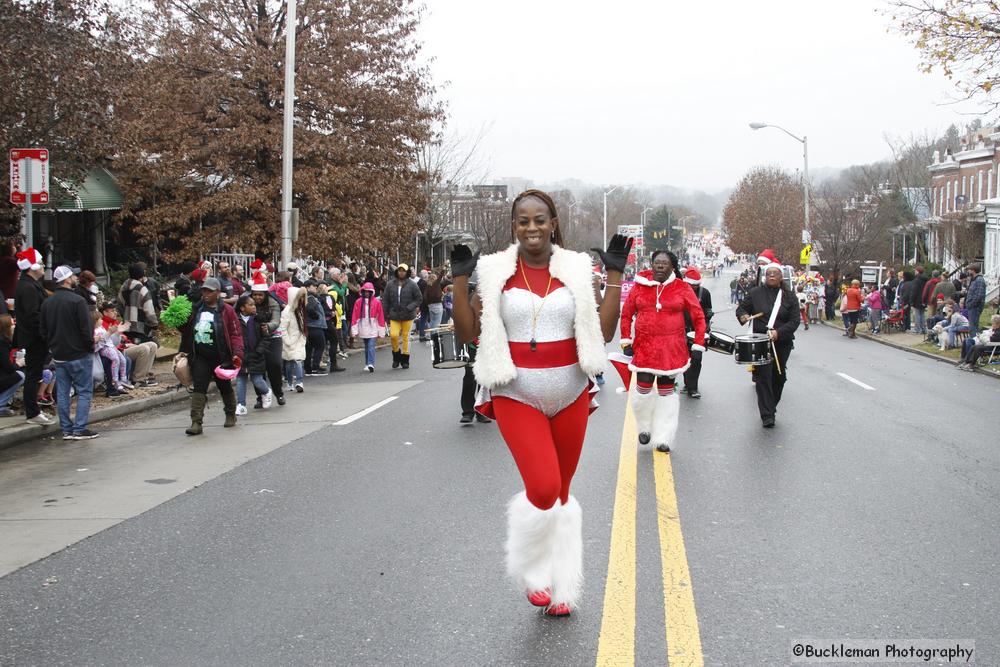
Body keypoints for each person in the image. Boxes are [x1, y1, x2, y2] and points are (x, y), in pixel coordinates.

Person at [450, 188, 629, 617]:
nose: (532, 228)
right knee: (544, 489)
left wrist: (617, 277)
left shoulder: (575, 269)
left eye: (540, 220)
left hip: (570, 393)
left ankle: (561, 585)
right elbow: (465, 333)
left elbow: (602, 333)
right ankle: (532, 570)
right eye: (523, 221)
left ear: (553, 224)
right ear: (514, 226)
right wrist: (459, 280)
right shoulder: (495, 272)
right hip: (517, 393)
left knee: (562, 495)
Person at [621, 252, 706, 451]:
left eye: (664, 263)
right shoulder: (640, 286)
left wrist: (698, 345)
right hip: (645, 348)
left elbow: (699, 317)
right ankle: (644, 428)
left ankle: (663, 437)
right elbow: (626, 314)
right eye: (657, 262)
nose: (660, 266)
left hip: (671, 349)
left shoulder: (682, 288)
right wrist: (626, 340)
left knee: (666, 392)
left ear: (672, 266)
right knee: (643, 389)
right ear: (651, 265)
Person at [736, 263, 800, 428]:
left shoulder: (790, 296)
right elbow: (742, 308)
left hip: (782, 342)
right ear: (765, 276)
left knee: (779, 376)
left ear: (781, 277)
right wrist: (743, 315)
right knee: (764, 377)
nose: (771, 276)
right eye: (769, 273)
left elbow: (794, 321)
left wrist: (779, 332)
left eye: (775, 274)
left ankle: (770, 405)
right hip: (760, 342)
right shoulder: (755, 293)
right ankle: (767, 414)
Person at [40, 266, 99, 440]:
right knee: (84, 391)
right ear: (67, 280)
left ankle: (66, 428)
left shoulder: (47, 302)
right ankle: (79, 428)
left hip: (59, 354)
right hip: (79, 353)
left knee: (63, 392)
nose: (75, 277)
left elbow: (43, 330)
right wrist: (89, 347)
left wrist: (52, 346)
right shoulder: (77, 301)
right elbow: (85, 329)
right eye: (72, 275)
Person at [178, 277, 244, 435]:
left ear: (218, 293)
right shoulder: (196, 308)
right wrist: (178, 319)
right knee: (199, 387)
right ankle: (196, 422)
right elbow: (185, 330)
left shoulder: (226, 310)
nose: (205, 294)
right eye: (204, 291)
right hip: (200, 355)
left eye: (209, 291)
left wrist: (237, 353)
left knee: (224, 386)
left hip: (221, 356)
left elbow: (235, 334)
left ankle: (230, 414)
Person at [13, 247, 52, 425]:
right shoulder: (28, 287)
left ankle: (33, 410)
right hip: (34, 338)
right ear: (32, 266)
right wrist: (44, 333)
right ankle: (32, 412)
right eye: (41, 263)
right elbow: (32, 316)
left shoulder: (29, 284)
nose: (44, 266)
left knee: (34, 374)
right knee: (33, 374)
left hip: (35, 337)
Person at [249, 271, 286, 405]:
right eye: (255, 295)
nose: (257, 297)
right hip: (255, 338)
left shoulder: (273, 303)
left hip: (273, 337)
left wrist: (268, 326)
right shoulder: (247, 302)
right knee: (257, 368)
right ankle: (261, 396)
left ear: (265, 294)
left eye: (260, 295)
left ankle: (279, 393)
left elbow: (276, 320)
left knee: (274, 364)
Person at [100, 302, 159, 387]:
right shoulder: (103, 324)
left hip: (124, 347)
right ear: (105, 312)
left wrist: (130, 343)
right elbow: (109, 342)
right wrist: (126, 345)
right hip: (117, 351)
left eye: (115, 310)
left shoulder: (115, 322)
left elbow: (123, 337)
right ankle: (138, 379)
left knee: (153, 345)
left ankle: (145, 375)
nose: (115, 312)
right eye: (112, 311)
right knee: (144, 349)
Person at [234, 293, 273, 415]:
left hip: (256, 355)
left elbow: (266, 338)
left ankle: (266, 392)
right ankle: (241, 405)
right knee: (240, 379)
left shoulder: (259, 319)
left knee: (257, 379)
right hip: (241, 355)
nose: (254, 307)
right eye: (250, 305)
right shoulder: (235, 320)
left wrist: (259, 350)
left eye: (254, 305)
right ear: (242, 308)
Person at [382, 263, 422, 369]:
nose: (401, 272)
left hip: (408, 315)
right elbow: (385, 300)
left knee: (406, 337)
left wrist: (410, 307)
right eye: (399, 270)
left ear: (407, 272)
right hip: (394, 315)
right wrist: (385, 315)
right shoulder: (390, 284)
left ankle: (405, 361)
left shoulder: (412, 284)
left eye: (403, 270)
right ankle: (396, 356)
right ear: (397, 272)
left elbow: (419, 299)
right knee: (394, 335)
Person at [680, 267, 712, 399]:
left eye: (696, 286)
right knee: (684, 360)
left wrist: (709, 314)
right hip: (681, 330)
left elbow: (708, 307)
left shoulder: (704, 293)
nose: (693, 288)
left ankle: (694, 387)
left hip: (698, 331)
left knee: (697, 359)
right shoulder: (678, 291)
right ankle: (687, 383)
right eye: (691, 285)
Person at [116, 263, 160, 344]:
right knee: (146, 350)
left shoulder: (123, 288)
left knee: (131, 350)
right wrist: (154, 324)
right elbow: (149, 310)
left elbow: (119, 305)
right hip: (141, 327)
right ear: (141, 275)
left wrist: (125, 316)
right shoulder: (142, 290)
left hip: (126, 326)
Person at [350, 281, 386, 373]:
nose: (366, 293)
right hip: (363, 328)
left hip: (373, 328)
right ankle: (367, 363)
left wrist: (381, 329)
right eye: (365, 291)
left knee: (371, 346)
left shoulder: (376, 302)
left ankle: (371, 364)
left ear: (371, 292)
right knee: (367, 347)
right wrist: (354, 329)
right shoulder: (358, 302)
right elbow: (355, 316)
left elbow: (380, 316)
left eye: (368, 291)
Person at [280, 285, 308, 392]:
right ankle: (290, 382)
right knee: (289, 362)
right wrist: (287, 341)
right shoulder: (287, 311)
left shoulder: (300, 309)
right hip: (290, 340)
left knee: (297, 360)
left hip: (299, 339)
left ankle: (299, 382)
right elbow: (283, 328)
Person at [0, 314, 25, 417]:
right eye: (12, 324)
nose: (14, 326)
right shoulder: (2, 343)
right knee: (21, 376)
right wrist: (19, 363)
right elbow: (8, 368)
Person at [303, 280, 328, 376]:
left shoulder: (305, 297)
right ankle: (315, 368)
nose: (316, 288)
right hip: (315, 326)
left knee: (309, 348)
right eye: (314, 286)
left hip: (309, 326)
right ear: (308, 287)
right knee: (320, 346)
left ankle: (308, 369)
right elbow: (310, 308)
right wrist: (316, 316)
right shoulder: (311, 298)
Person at [965, 264, 986, 334]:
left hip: (975, 308)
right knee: (972, 326)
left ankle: (974, 343)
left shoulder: (979, 280)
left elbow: (979, 296)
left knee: (973, 327)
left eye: (969, 270)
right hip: (971, 307)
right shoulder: (974, 280)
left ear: (973, 270)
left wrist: (971, 304)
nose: (968, 271)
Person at [910, 266, 929, 334]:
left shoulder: (916, 280)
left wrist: (911, 300)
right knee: (922, 314)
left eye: (915, 271)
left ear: (917, 271)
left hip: (917, 299)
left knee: (917, 314)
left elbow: (914, 291)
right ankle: (923, 328)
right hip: (924, 299)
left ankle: (918, 329)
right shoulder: (926, 280)